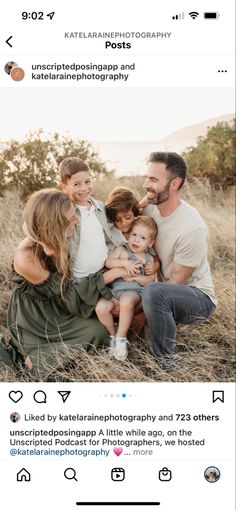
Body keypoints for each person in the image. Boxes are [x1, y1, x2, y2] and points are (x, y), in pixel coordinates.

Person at [6, 189, 113, 380]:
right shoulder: (27, 259)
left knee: (103, 323)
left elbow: (29, 226)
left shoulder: (50, 235)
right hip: (35, 316)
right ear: (54, 225)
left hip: (57, 302)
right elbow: (68, 295)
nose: (77, 222)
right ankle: (37, 357)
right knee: (97, 331)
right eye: (72, 219)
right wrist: (110, 276)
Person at [141, 152, 217, 363]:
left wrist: (142, 301)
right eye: (146, 177)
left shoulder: (192, 228)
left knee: (153, 292)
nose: (147, 184)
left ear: (175, 184)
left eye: (154, 180)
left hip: (197, 298)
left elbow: (177, 282)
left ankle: (165, 362)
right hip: (163, 289)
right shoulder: (151, 207)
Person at [96, 216, 158, 360]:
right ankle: (113, 335)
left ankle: (121, 338)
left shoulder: (148, 259)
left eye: (142, 238)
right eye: (134, 235)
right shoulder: (122, 250)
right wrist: (125, 263)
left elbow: (150, 281)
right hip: (113, 291)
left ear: (150, 243)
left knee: (127, 301)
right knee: (101, 308)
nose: (136, 240)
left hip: (133, 292)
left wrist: (135, 278)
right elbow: (109, 262)